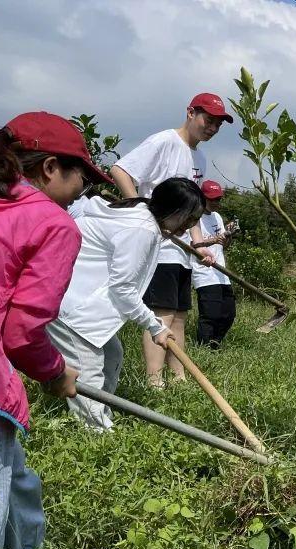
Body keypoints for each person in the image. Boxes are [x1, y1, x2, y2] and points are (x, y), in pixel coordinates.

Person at [0, 111, 110, 549]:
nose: (84, 188)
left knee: (15, 481)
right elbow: (21, 333)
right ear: (51, 168)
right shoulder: (50, 223)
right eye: (82, 175)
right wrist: (56, 373)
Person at [47, 178, 206, 431]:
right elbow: (122, 289)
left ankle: (98, 414)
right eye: (189, 218)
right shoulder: (140, 228)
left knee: (112, 355)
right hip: (72, 307)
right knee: (88, 372)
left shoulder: (144, 217)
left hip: (83, 300)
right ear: (173, 211)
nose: (190, 226)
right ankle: (96, 432)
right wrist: (155, 326)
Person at [108, 93, 233, 387]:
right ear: (190, 113)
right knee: (160, 313)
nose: (212, 128)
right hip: (159, 247)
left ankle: (178, 379)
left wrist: (199, 245)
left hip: (180, 251)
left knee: (179, 316)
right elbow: (120, 170)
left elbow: (194, 209)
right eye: (208, 120)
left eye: (217, 124)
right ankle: (154, 381)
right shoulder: (164, 141)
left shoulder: (199, 156)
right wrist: (142, 211)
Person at [191, 180, 237, 349]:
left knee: (228, 314)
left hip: (221, 272)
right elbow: (192, 244)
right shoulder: (194, 217)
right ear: (202, 198)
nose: (216, 203)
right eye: (212, 199)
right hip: (204, 271)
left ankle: (215, 344)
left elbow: (223, 245)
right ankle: (203, 347)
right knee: (210, 314)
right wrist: (212, 240)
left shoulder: (217, 217)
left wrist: (228, 235)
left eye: (218, 199)